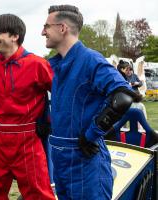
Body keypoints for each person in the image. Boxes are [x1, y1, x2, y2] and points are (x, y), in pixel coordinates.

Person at [42, 5, 142, 200]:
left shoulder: (90, 59)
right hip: (60, 159)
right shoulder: (55, 65)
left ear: (62, 28)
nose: (42, 31)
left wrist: (91, 135)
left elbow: (122, 96)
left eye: (47, 26)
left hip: (85, 159)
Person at [0, 14, 55, 200]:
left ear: (14, 36)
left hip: (27, 140)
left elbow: (62, 96)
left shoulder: (38, 64)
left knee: (39, 195)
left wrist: (49, 121)